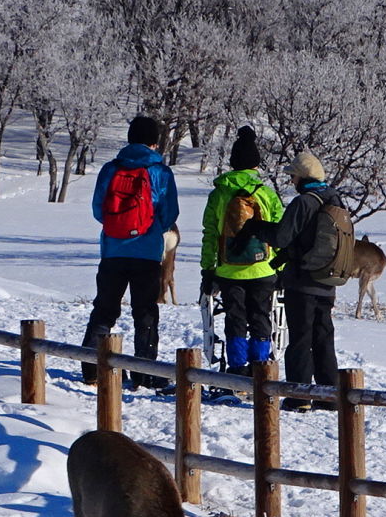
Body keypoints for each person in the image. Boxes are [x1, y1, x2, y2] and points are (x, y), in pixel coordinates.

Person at [82, 115, 179, 387]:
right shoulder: (160, 172)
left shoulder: (111, 169)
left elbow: (98, 210)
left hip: (112, 250)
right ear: (154, 142)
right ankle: (145, 372)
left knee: (104, 308)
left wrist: (118, 229)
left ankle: (93, 368)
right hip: (147, 253)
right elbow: (170, 213)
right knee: (145, 311)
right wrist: (148, 229)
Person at [244, 149, 342, 403]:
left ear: (302, 177)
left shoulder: (304, 202)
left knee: (300, 338)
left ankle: (299, 396)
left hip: (303, 281)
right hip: (328, 281)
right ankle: (329, 395)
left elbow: (281, 237)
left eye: (293, 176)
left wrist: (254, 228)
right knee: (323, 337)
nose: (291, 181)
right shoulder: (334, 199)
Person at [199, 126, 284, 375]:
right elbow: (280, 233)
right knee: (261, 316)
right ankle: (261, 367)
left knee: (235, 318)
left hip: (229, 269)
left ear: (233, 162)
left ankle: (237, 367)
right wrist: (281, 266)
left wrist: (208, 269)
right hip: (263, 268)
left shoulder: (219, 194)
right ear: (256, 165)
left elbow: (210, 234)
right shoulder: (266, 194)